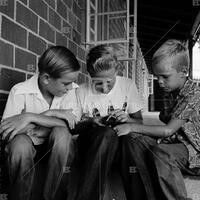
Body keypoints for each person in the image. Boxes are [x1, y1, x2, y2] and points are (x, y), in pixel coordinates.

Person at [113, 39, 200, 200]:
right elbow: (163, 126)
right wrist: (130, 121)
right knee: (131, 140)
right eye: (157, 76)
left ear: (183, 71)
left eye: (165, 76)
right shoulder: (171, 93)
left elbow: (168, 130)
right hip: (176, 144)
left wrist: (133, 127)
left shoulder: (194, 94)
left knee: (161, 153)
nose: (159, 82)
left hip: (194, 152)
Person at [0, 46, 81, 200]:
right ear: (46, 79)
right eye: (66, 83)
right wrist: (52, 117)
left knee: (62, 134)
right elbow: (7, 132)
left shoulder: (70, 91)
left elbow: (70, 125)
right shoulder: (20, 91)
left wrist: (30, 117)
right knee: (20, 144)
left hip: (58, 149)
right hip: (28, 147)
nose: (70, 87)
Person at [75, 44, 143, 200]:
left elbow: (139, 123)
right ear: (90, 74)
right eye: (98, 83)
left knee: (129, 139)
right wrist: (91, 122)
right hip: (92, 145)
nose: (105, 88)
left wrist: (128, 119)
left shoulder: (127, 85)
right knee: (106, 133)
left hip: (120, 145)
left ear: (117, 71)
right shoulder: (81, 91)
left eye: (109, 82)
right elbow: (73, 128)